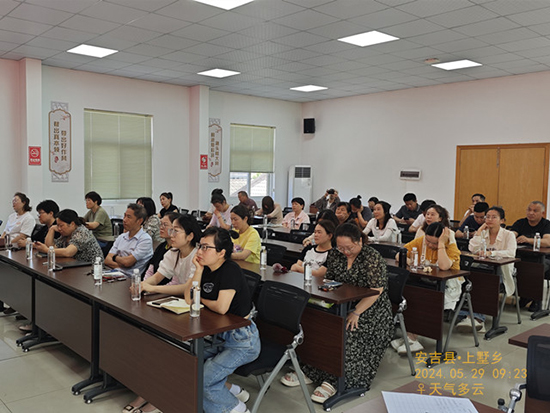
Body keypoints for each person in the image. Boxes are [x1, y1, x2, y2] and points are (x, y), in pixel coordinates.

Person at [281, 224, 392, 404]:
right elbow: (329, 280)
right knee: (319, 323)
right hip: (343, 302)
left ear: (359, 241)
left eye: (349, 248)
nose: (345, 252)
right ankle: (312, 370)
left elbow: (377, 291)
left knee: (347, 330)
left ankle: (336, 380)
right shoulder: (334, 254)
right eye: (341, 248)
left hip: (371, 310)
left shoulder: (371, 257)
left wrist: (356, 312)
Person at [183, 227, 260, 413]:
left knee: (204, 380)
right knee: (186, 363)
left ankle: (238, 409)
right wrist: (198, 270)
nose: (200, 251)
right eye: (200, 246)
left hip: (242, 340)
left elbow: (221, 307)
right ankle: (233, 391)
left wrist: (199, 299)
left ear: (221, 252)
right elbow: (188, 298)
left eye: (206, 247)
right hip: (218, 335)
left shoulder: (230, 270)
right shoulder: (206, 268)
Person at [394, 222, 462, 354]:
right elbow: (399, 255)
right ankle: (409, 335)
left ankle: (412, 338)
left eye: (434, 243)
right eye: (428, 241)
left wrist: (441, 244)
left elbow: (444, 266)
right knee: (409, 295)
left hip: (447, 287)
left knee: (422, 300)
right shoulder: (421, 241)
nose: (430, 245)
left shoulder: (450, 246)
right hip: (426, 283)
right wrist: (411, 262)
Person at [458, 207, 517, 333]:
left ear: (502, 220)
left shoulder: (509, 235)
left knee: (484, 283)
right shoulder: (483, 233)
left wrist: (491, 253)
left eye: (494, 217)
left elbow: (511, 253)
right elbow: (472, 248)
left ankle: (477, 318)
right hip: (482, 268)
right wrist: (479, 232)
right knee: (467, 279)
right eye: (488, 217)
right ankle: (467, 314)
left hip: (501, 271)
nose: (489, 219)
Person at [510, 201, 550, 312]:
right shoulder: (520, 222)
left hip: (543, 258)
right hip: (523, 256)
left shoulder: (546, 224)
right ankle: (524, 295)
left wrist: (528, 240)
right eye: (529, 210)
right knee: (518, 266)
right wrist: (513, 238)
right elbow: (511, 236)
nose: (531, 213)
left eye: (535, 211)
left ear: (542, 213)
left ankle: (535, 299)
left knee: (535, 268)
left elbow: (547, 242)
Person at [0, 192, 35, 315]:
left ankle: (16, 304)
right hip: (6, 247)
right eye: (13, 201)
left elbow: (23, 236)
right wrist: (1, 241)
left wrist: (7, 243)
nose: (13, 203)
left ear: (24, 202)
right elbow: (5, 232)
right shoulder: (11, 216)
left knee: (13, 275)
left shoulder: (28, 218)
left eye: (16, 201)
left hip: (17, 249)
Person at [34, 209, 103, 263]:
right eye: (58, 225)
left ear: (72, 224)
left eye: (61, 225)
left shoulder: (82, 232)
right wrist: (51, 229)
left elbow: (68, 252)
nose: (59, 228)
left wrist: (46, 250)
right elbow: (51, 247)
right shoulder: (66, 233)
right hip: (76, 265)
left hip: (92, 269)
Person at [104, 204, 153, 276]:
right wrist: (122, 264)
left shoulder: (145, 239)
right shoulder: (121, 237)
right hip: (114, 273)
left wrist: (114, 257)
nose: (124, 220)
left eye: (129, 217)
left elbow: (127, 262)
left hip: (130, 278)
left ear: (139, 221)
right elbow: (107, 260)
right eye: (124, 216)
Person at [142, 212, 179, 283]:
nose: (161, 227)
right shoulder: (161, 246)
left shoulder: (177, 250)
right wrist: (145, 284)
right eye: (161, 224)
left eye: (165, 225)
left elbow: (174, 282)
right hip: (153, 285)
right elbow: (150, 270)